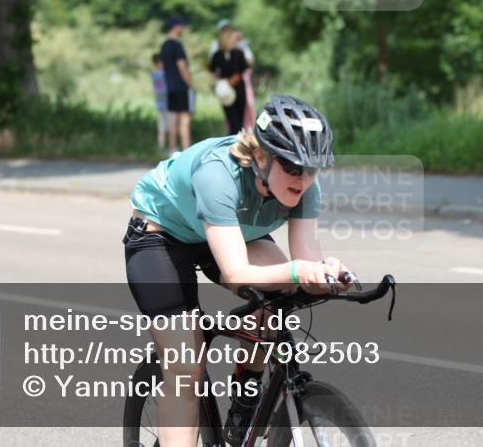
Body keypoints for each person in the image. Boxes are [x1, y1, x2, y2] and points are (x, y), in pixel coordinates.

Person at [123, 95, 349, 447]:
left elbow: (304, 265)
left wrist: (329, 275)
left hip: (228, 233)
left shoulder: (305, 187)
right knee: (185, 368)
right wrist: (299, 270)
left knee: (283, 292)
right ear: (260, 156)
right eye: (291, 166)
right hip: (161, 236)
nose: (302, 178)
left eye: (311, 169)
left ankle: (246, 395)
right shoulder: (218, 175)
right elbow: (235, 273)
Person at [160, 16, 193, 153]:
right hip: (181, 86)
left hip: (170, 87)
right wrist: (190, 83)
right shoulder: (177, 46)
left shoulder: (164, 46)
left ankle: (172, 149)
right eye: (182, 26)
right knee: (185, 121)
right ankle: (187, 151)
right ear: (177, 26)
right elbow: (182, 67)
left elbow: (162, 67)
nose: (183, 28)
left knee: (173, 119)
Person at [210, 25, 249, 134]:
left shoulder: (238, 53)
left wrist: (226, 84)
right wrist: (220, 85)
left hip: (239, 90)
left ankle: (238, 147)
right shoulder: (217, 55)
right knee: (233, 123)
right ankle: (232, 147)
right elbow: (213, 72)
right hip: (226, 93)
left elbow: (241, 72)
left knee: (239, 123)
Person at [150, 53, 168, 153]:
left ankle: (161, 148)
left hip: (160, 105)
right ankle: (167, 148)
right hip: (167, 105)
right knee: (167, 128)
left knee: (162, 129)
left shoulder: (154, 74)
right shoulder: (163, 74)